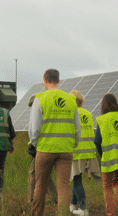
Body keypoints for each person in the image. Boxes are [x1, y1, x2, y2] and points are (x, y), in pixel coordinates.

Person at [28, 69, 80, 216]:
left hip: (45, 149)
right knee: (63, 186)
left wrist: (36, 143)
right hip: (66, 149)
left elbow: (34, 129)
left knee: (40, 185)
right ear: (58, 80)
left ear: (44, 79)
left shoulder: (40, 98)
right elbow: (77, 128)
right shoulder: (71, 100)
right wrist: (73, 144)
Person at [95, 94, 118, 216]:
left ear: (103, 105)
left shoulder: (102, 120)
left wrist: (102, 154)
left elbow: (97, 141)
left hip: (109, 158)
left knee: (107, 186)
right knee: (116, 182)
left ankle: (111, 213)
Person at [69, 90, 100, 216]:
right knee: (77, 178)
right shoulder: (88, 114)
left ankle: (83, 208)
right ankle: (72, 204)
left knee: (76, 180)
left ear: (73, 101)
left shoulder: (72, 113)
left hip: (77, 152)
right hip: (89, 151)